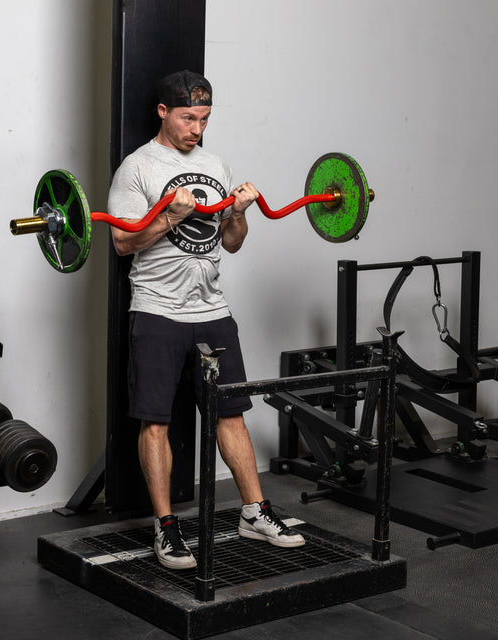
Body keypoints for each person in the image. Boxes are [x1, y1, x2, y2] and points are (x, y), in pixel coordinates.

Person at [108, 70, 305, 570]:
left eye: (205, 118)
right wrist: (169, 215)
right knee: (155, 421)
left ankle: (254, 512)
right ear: (163, 112)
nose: (197, 128)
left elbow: (230, 242)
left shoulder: (215, 164)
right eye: (188, 118)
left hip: (212, 310)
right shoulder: (137, 168)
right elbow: (122, 243)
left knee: (230, 411)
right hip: (157, 309)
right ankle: (166, 527)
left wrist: (238, 212)